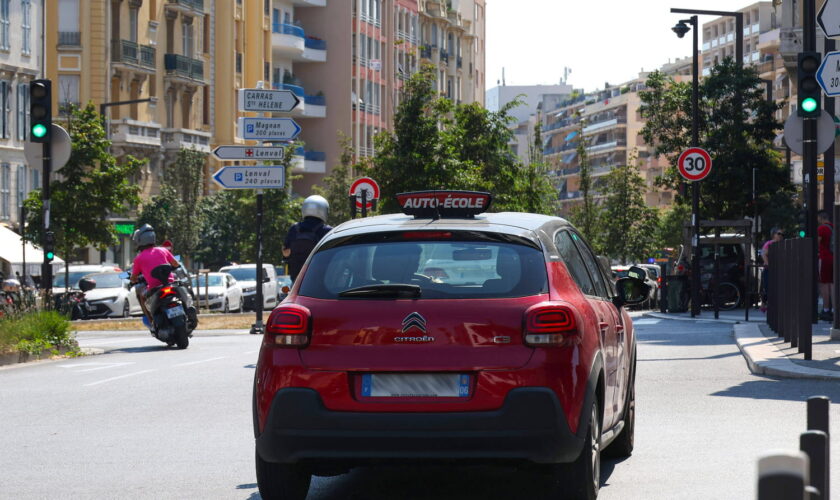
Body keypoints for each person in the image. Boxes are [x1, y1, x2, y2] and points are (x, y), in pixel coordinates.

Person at [130, 224, 194, 328]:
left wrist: (133, 280)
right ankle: (189, 311)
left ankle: (152, 322)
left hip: (154, 288)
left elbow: (134, 277)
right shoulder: (163, 250)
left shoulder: (139, 258)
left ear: (140, 240)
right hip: (170, 284)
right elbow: (175, 264)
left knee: (141, 297)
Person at [283, 195, 333, 283]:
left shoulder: (294, 229)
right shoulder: (327, 230)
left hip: (297, 278)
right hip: (319, 278)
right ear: (324, 210)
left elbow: (286, 253)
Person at [760, 228, 784, 313]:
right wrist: (768, 264)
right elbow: (763, 254)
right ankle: (765, 304)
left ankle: (770, 306)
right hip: (769, 269)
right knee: (768, 287)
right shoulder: (770, 243)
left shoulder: (782, 244)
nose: (781, 235)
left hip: (778, 269)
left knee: (775, 288)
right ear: (773, 234)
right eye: (779, 233)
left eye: (782, 234)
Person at [817, 210, 834, 321]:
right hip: (835, 258)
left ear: (821, 218)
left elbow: (817, 243)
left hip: (824, 258)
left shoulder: (822, 228)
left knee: (824, 284)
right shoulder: (835, 227)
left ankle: (826, 309)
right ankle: (835, 310)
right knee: (833, 284)